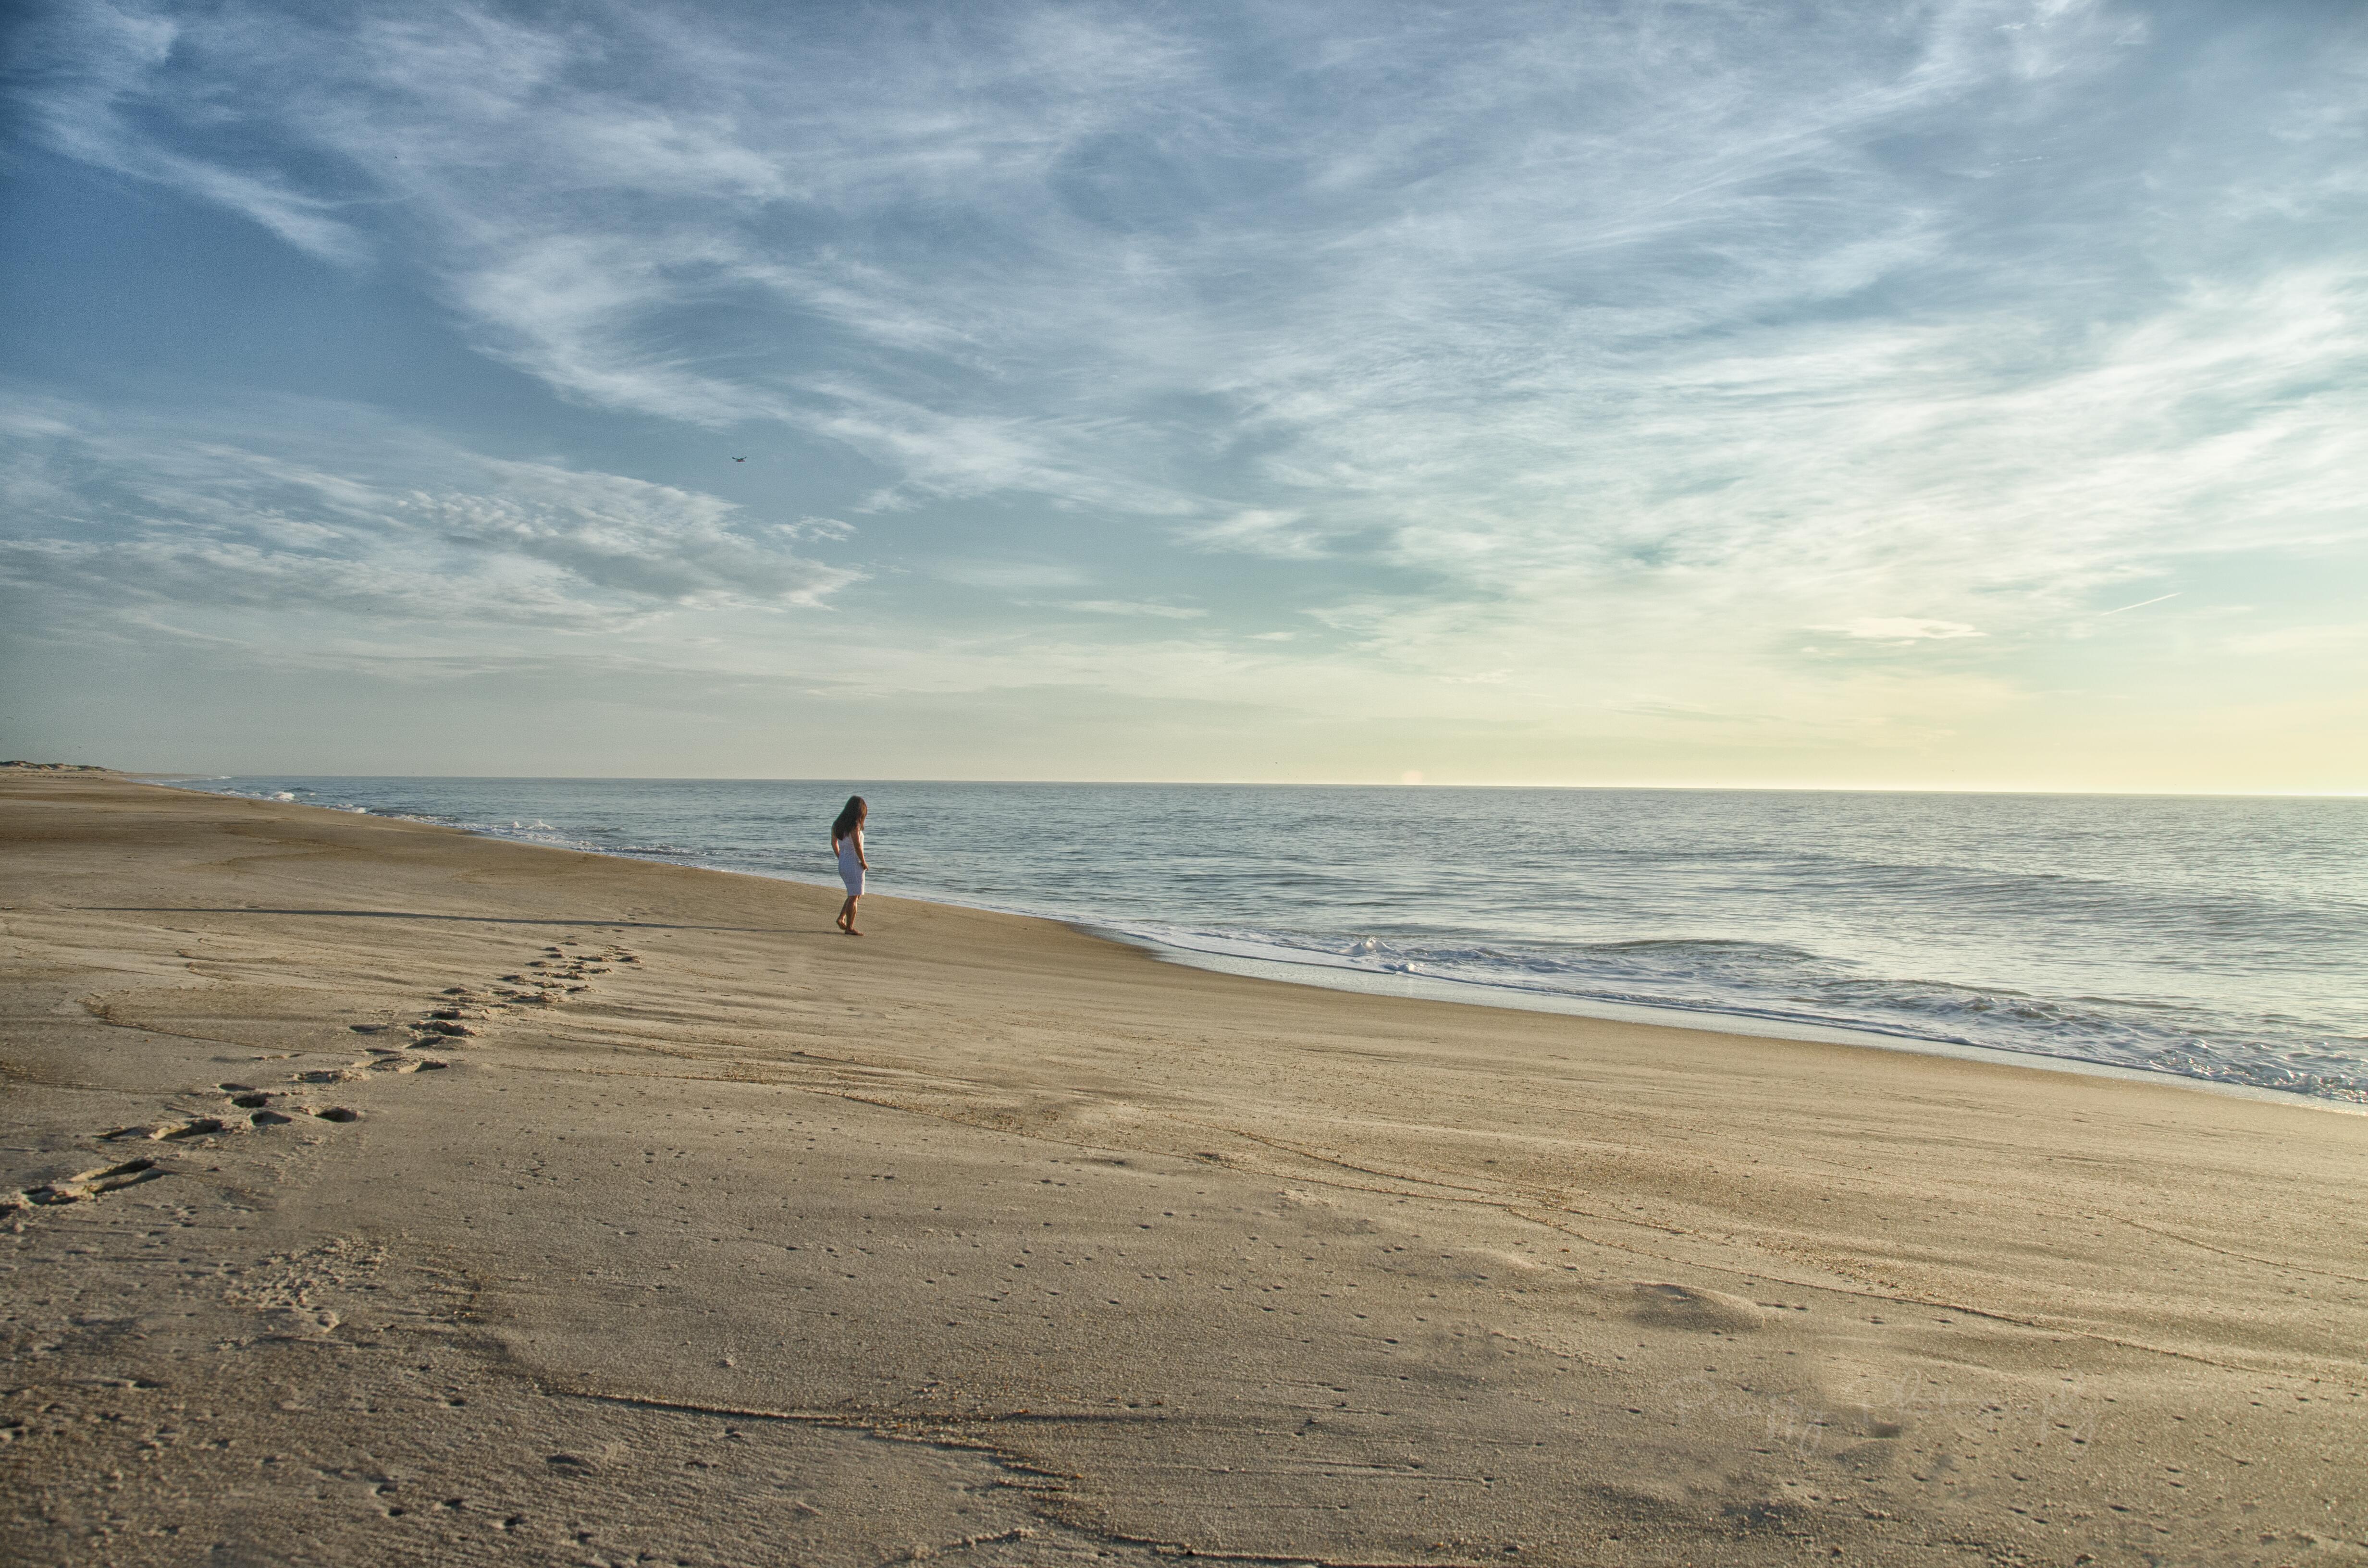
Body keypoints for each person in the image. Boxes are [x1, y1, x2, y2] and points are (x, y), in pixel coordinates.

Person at [830, 795, 869, 935]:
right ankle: (850, 927)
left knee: (855, 895)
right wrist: (863, 862)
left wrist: (841, 857)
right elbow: (858, 846)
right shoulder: (855, 825)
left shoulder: (838, 824)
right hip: (854, 863)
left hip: (843, 863)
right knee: (855, 895)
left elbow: (834, 843)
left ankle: (842, 918)